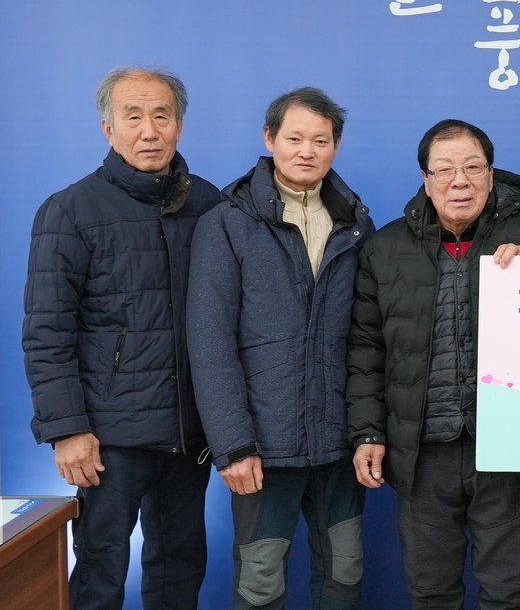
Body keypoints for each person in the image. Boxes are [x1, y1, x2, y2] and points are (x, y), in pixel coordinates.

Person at [22, 67, 221, 610]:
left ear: (179, 125)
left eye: (161, 116)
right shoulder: (70, 210)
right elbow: (46, 330)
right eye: (133, 117)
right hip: (108, 437)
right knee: (100, 572)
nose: (149, 131)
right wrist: (67, 429)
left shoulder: (210, 205)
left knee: (180, 568)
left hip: (190, 433)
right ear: (108, 128)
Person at [346, 119, 520, 610]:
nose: (459, 181)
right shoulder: (385, 249)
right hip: (421, 453)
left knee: (509, 591)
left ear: (491, 174)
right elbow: (365, 351)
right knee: (431, 592)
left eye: (472, 168)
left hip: (504, 451)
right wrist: (367, 432)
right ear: (426, 180)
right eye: (444, 170)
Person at [187, 87, 374, 610]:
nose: (306, 151)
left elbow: (369, 337)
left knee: (345, 571)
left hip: (339, 441)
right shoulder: (227, 222)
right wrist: (233, 445)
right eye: (294, 138)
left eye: (320, 140)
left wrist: (367, 429)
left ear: (336, 145)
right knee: (260, 582)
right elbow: (210, 342)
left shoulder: (356, 224)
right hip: (263, 446)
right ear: (269, 139)